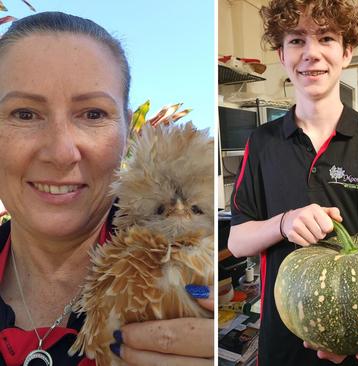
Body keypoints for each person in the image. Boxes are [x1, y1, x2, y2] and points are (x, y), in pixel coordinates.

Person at [0, 12, 213, 365]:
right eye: (24, 114)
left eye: (93, 114)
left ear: (127, 131)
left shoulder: (194, 264)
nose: (61, 152)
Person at [227, 0, 358, 365]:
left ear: (347, 52)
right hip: (286, 346)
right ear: (281, 55)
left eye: (327, 38)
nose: (311, 54)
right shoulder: (262, 143)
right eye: (297, 40)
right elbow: (237, 241)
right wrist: (284, 223)